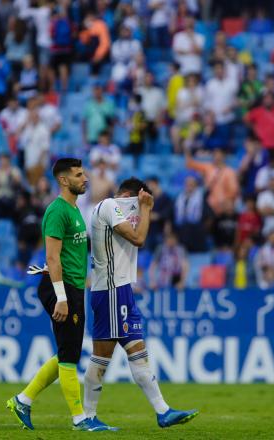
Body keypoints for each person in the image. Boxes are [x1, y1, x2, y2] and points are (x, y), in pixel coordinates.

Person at [84, 177, 198, 429]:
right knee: (101, 357)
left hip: (122, 290)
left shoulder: (117, 210)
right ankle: (87, 416)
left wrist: (145, 209)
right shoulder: (108, 206)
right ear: (130, 196)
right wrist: (145, 209)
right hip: (110, 291)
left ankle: (163, 411)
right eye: (138, 200)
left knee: (138, 354)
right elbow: (138, 239)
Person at [7, 158, 96, 431]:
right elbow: (52, 257)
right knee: (69, 356)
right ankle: (80, 419)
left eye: (84, 173)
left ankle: (23, 399)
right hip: (60, 287)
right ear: (63, 180)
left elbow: (71, 255)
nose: (85, 178)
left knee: (67, 352)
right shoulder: (57, 211)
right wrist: (61, 297)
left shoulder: (74, 209)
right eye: (79, 174)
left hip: (72, 287)